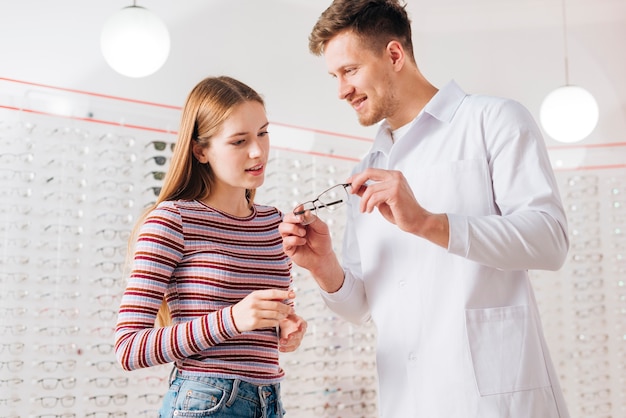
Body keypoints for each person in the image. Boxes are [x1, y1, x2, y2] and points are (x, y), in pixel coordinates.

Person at [279, 1, 570, 417]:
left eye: (350, 71)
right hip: (407, 401)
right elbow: (360, 307)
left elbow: (550, 241)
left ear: (394, 55)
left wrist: (429, 223)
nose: (341, 90)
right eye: (334, 76)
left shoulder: (494, 121)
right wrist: (324, 266)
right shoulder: (366, 171)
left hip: (498, 401)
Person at [115, 76, 307, 418]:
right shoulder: (172, 220)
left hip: (270, 400)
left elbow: (256, 324)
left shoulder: (273, 223)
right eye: (239, 141)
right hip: (205, 401)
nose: (257, 151)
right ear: (200, 150)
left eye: (263, 133)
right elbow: (129, 348)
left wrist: (283, 327)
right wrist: (232, 319)